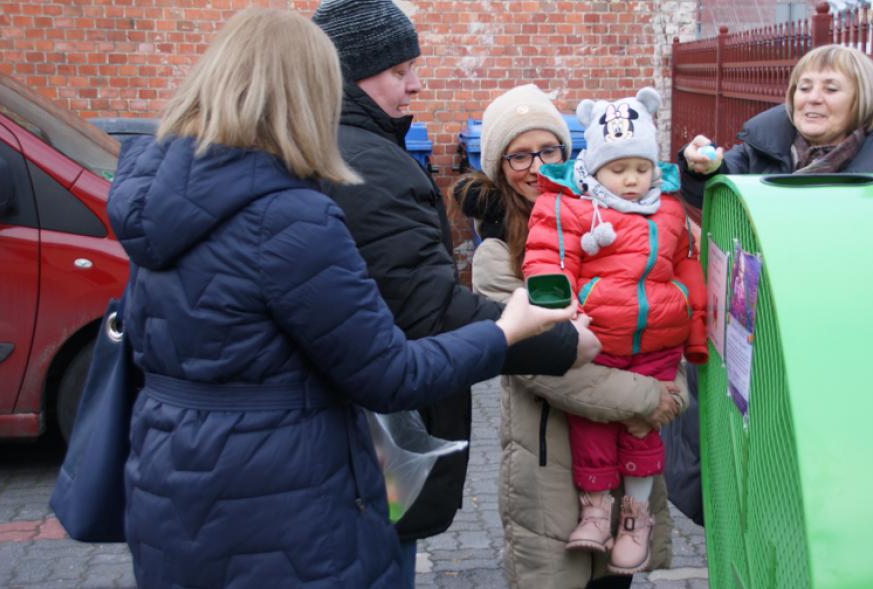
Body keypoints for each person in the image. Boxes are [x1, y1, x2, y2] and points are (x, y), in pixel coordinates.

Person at [106, 9, 576, 588]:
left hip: (171, 483)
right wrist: (507, 330)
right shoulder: (287, 213)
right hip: (280, 499)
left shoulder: (164, 198)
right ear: (312, 87)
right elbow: (389, 374)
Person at [309, 1, 600, 584]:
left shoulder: (333, 147)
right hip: (380, 442)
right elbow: (428, 309)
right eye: (398, 70)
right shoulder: (373, 166)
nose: (415, 85)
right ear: (349, 72)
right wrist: (560, 339)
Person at [664, 43, 873, 526]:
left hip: (820, 348)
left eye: (830, 88)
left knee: (803, 478)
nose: (812, 99)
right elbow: (717, 181)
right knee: (733, 468)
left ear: (859, 100)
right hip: (746, 339)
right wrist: (702, 166)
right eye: (804, 87)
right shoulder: (763, 148)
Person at [453, 83, 690, 589]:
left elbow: (654, 308)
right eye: (518, 155)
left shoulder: (611, 220)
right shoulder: (497, 253)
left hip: (626, 446)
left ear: (570, 152)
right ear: (498, 165)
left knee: (614, 578)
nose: (536, 165)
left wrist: (668, 369)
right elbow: (540, 362)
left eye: (548, 149)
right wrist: (650, 394)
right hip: (550, 457)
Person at [520, 86, 708, 576]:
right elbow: (549, 262)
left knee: (644, 436)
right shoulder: (573, 207)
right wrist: (565, 313)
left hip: (658, 342)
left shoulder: (667, 208)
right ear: (594, 167)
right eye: (618, 169)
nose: (631, 180)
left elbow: (686, 263)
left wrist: (692, 317)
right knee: (594, 429)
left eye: (641, 168)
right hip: (599, 343)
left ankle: (636, 518)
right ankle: (596, 508)